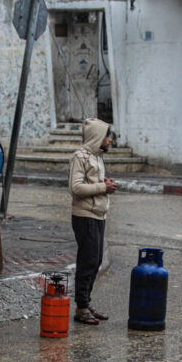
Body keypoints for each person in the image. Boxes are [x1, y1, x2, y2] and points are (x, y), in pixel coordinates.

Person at [69, 118, 118, 326]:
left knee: (96, 260)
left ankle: (86, 303)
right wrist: (102, 187)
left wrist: (103, 183)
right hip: (85, 216)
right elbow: (75, 188)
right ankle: (81, 307)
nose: (110, 140)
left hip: (98, 215)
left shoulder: (97, 156)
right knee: (88, 261)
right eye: (107, 136)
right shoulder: (79, 157)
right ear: (98, 136)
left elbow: (91, 182)